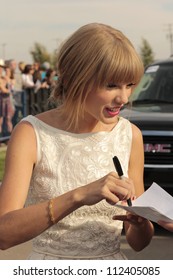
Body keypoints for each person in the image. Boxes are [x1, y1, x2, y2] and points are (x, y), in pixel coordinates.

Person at [0, 23, 154, 260]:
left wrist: (142, 224)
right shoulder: (30, 133)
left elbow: (138, 243)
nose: (123, 97)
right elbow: (4, 234)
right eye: (111, 85)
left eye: (130, 85)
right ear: (77, 78)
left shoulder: (130, 135)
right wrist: (78, 196)